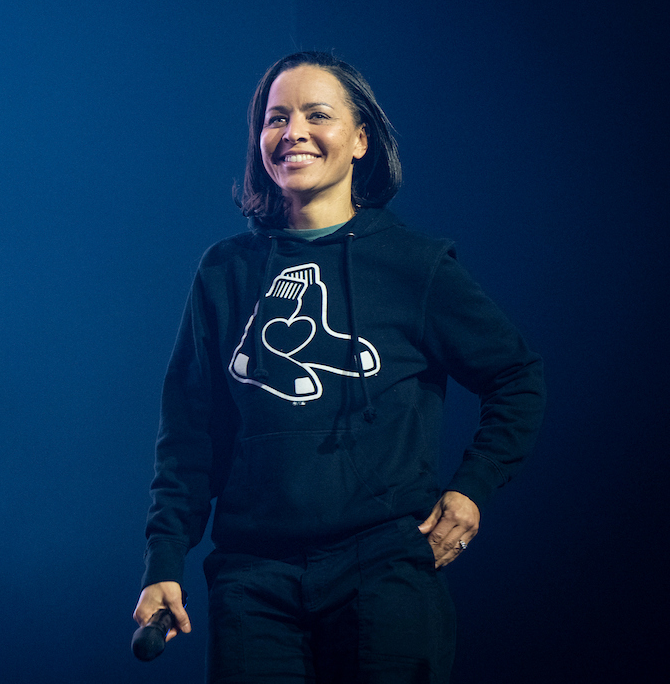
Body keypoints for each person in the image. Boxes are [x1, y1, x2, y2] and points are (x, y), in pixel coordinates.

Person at [132, 51, 543, 682]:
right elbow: (189, 433)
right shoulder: (225, 270)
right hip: (253, 581)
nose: (292, 131)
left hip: (384, 572)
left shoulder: (414, 265)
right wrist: (164, 561)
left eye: (316, 115)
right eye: (276, 118)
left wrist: (472, 489)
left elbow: (516, 378)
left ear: (360, 140)